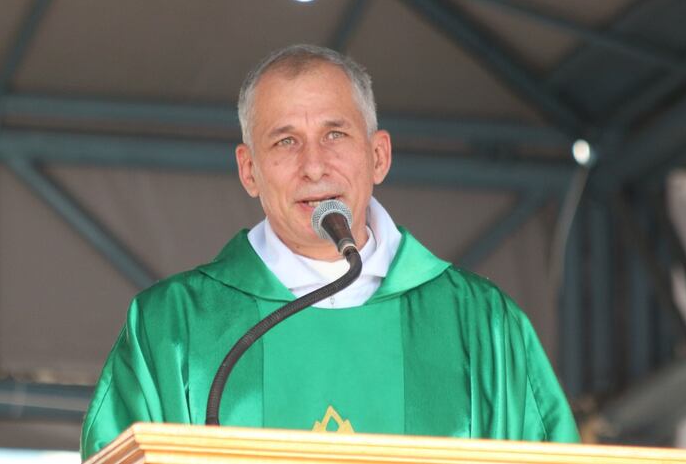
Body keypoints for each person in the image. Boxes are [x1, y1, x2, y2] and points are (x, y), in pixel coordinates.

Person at [80, 44, 580, 460]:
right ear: (249, 170)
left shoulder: (481, 324)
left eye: (334, 135)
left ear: (378, 155)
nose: (314, 167)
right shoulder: (173, 328)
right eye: (284, 142)